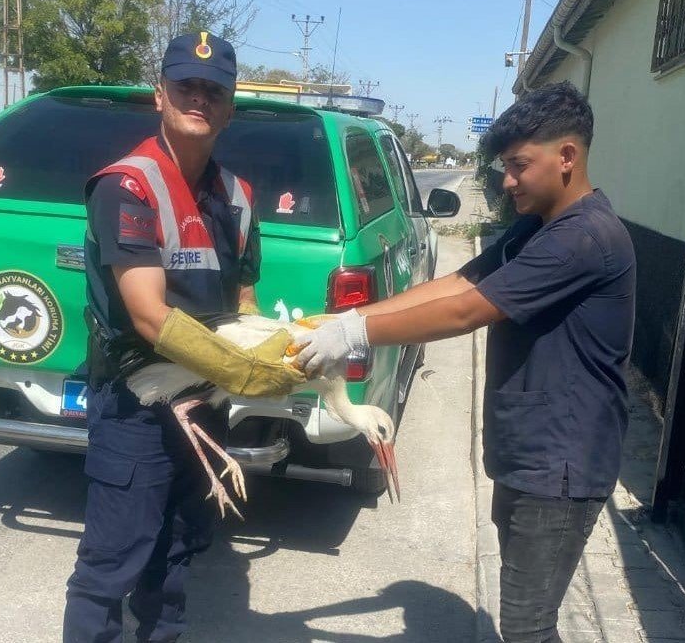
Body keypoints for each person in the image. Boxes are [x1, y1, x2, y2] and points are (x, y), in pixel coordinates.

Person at [295, 81, 636, 643]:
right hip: (527, 454)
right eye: (505, 166)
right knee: (525, 623)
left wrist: (355, 334)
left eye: (519, 166)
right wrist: (345, 320)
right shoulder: (538, 228)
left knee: (527, 628)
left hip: (561, 466)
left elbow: (466, 311)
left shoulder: (583, 239)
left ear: (567, 157)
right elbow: (461, 281)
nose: (507, 181)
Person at [63, 31, 304, 643]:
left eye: (213, 91)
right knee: (112, 566)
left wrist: (276, 349)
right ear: (160, 95)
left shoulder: (239, 198)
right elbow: (148, 316)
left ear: (229, 107)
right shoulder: (128, 186)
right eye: (185, 86)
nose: (199, 98)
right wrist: (245, 373)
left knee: (176, 552)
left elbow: (243, 302)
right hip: (136, 406)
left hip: (203, 404)